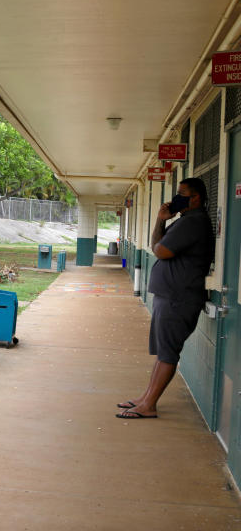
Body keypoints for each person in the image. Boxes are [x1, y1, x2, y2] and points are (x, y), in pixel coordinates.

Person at [117, 178, 215, 419]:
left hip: (179, 297)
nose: (176, 198)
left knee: (168, 352)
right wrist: (161, 220)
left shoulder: (194, 223)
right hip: (171, 295)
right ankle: (146, 397)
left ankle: (149, 404)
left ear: (196, 198)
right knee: (163, 352)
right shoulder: (184, 221)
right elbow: (156, 245)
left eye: (183, 194)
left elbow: (161, 250)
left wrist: (163, 224)